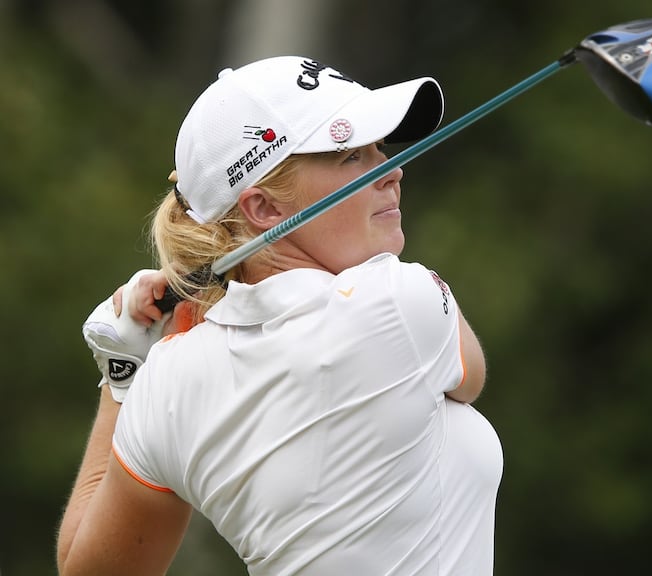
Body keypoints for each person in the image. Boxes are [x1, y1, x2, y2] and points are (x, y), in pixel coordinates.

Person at [55, 55, 503, 576]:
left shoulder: (166, 383)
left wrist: (123, 376)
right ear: (263, 209)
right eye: (350, 155)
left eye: (378, 148)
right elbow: (469, 377)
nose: (393, 170)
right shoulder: (396, 300)